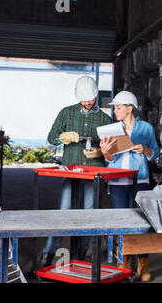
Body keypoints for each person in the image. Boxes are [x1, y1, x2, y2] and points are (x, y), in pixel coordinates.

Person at [38, 76, 112, 268]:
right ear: (77, 96)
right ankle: (48, 254)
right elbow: (51, 138)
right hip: (71, 171)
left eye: (91, 98)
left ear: (96, 94)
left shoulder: (104, 119)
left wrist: (100, 152)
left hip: (93, 172)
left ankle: (80, 255)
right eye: (84, 99)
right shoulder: (66, 113)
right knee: (63, 213)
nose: (87, 102)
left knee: (89, 214)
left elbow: (111, 151)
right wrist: (62, 138)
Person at [99, 90, 159, 282]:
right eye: (114, 108)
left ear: (129, 108)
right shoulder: (112, 129)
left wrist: (145, 149)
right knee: (122, 220)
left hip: (139, 179)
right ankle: (124, 261)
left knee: (142, 222)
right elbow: (109, 159)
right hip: (117, 180)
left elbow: (155, 153)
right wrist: (105, 152)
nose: (115, 111)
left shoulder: (146, 129)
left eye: (118, 107)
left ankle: (143, 263)